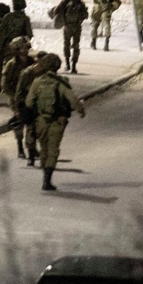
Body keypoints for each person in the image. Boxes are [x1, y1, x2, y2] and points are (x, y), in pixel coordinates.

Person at [26, 59, 86, 190]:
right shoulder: (61, 83)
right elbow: (72, 100)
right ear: (57, 67)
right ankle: (47, 180)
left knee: (44, 147)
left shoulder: (37, 82)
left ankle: (44, 172)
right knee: (53, 149)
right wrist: (81, 110)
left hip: (40, 120)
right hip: (57, 121)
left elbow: (29, 102)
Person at [0, 37, 37, 159]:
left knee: (32, 123)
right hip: (16, 98)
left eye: (26, 47)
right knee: (19, 123)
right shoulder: (11, 65)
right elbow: (5, 84)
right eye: (21, 48)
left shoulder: (32, 62)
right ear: (16, 49)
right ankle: (20, 147)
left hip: (31, 97)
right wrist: (15, 98)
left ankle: (32, 148)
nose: (24, 50)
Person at [0, 0, 34, 90]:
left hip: (8, 47)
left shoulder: (7, 17)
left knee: (7, 67)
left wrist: (0, 47)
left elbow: (1, 33)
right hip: (21, 48)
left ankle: (3, 85)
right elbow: (29, 34)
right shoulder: (25, 18)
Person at [50, 0, 88, 72]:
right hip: (77, 26)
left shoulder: (65, 0)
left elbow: (56, 10)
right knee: (76, 45)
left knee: (66, 44)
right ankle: (74, 66)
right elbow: (85, 15)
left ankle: (67, 65)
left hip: (67, 26)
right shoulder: (80, 1)